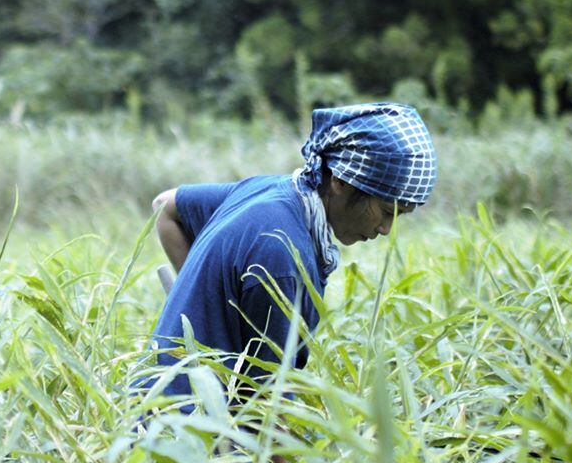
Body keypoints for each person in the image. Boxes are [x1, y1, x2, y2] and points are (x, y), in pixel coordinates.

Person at [144, 102, 437, 401]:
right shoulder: (283, 255)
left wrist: (205, 298)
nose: (386, 229)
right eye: (386, 211)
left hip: (158, 403)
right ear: (339, 181)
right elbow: (266, 408)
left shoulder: (271, 190)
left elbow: (165, 206)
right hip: (182, 427)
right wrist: (202, 296)